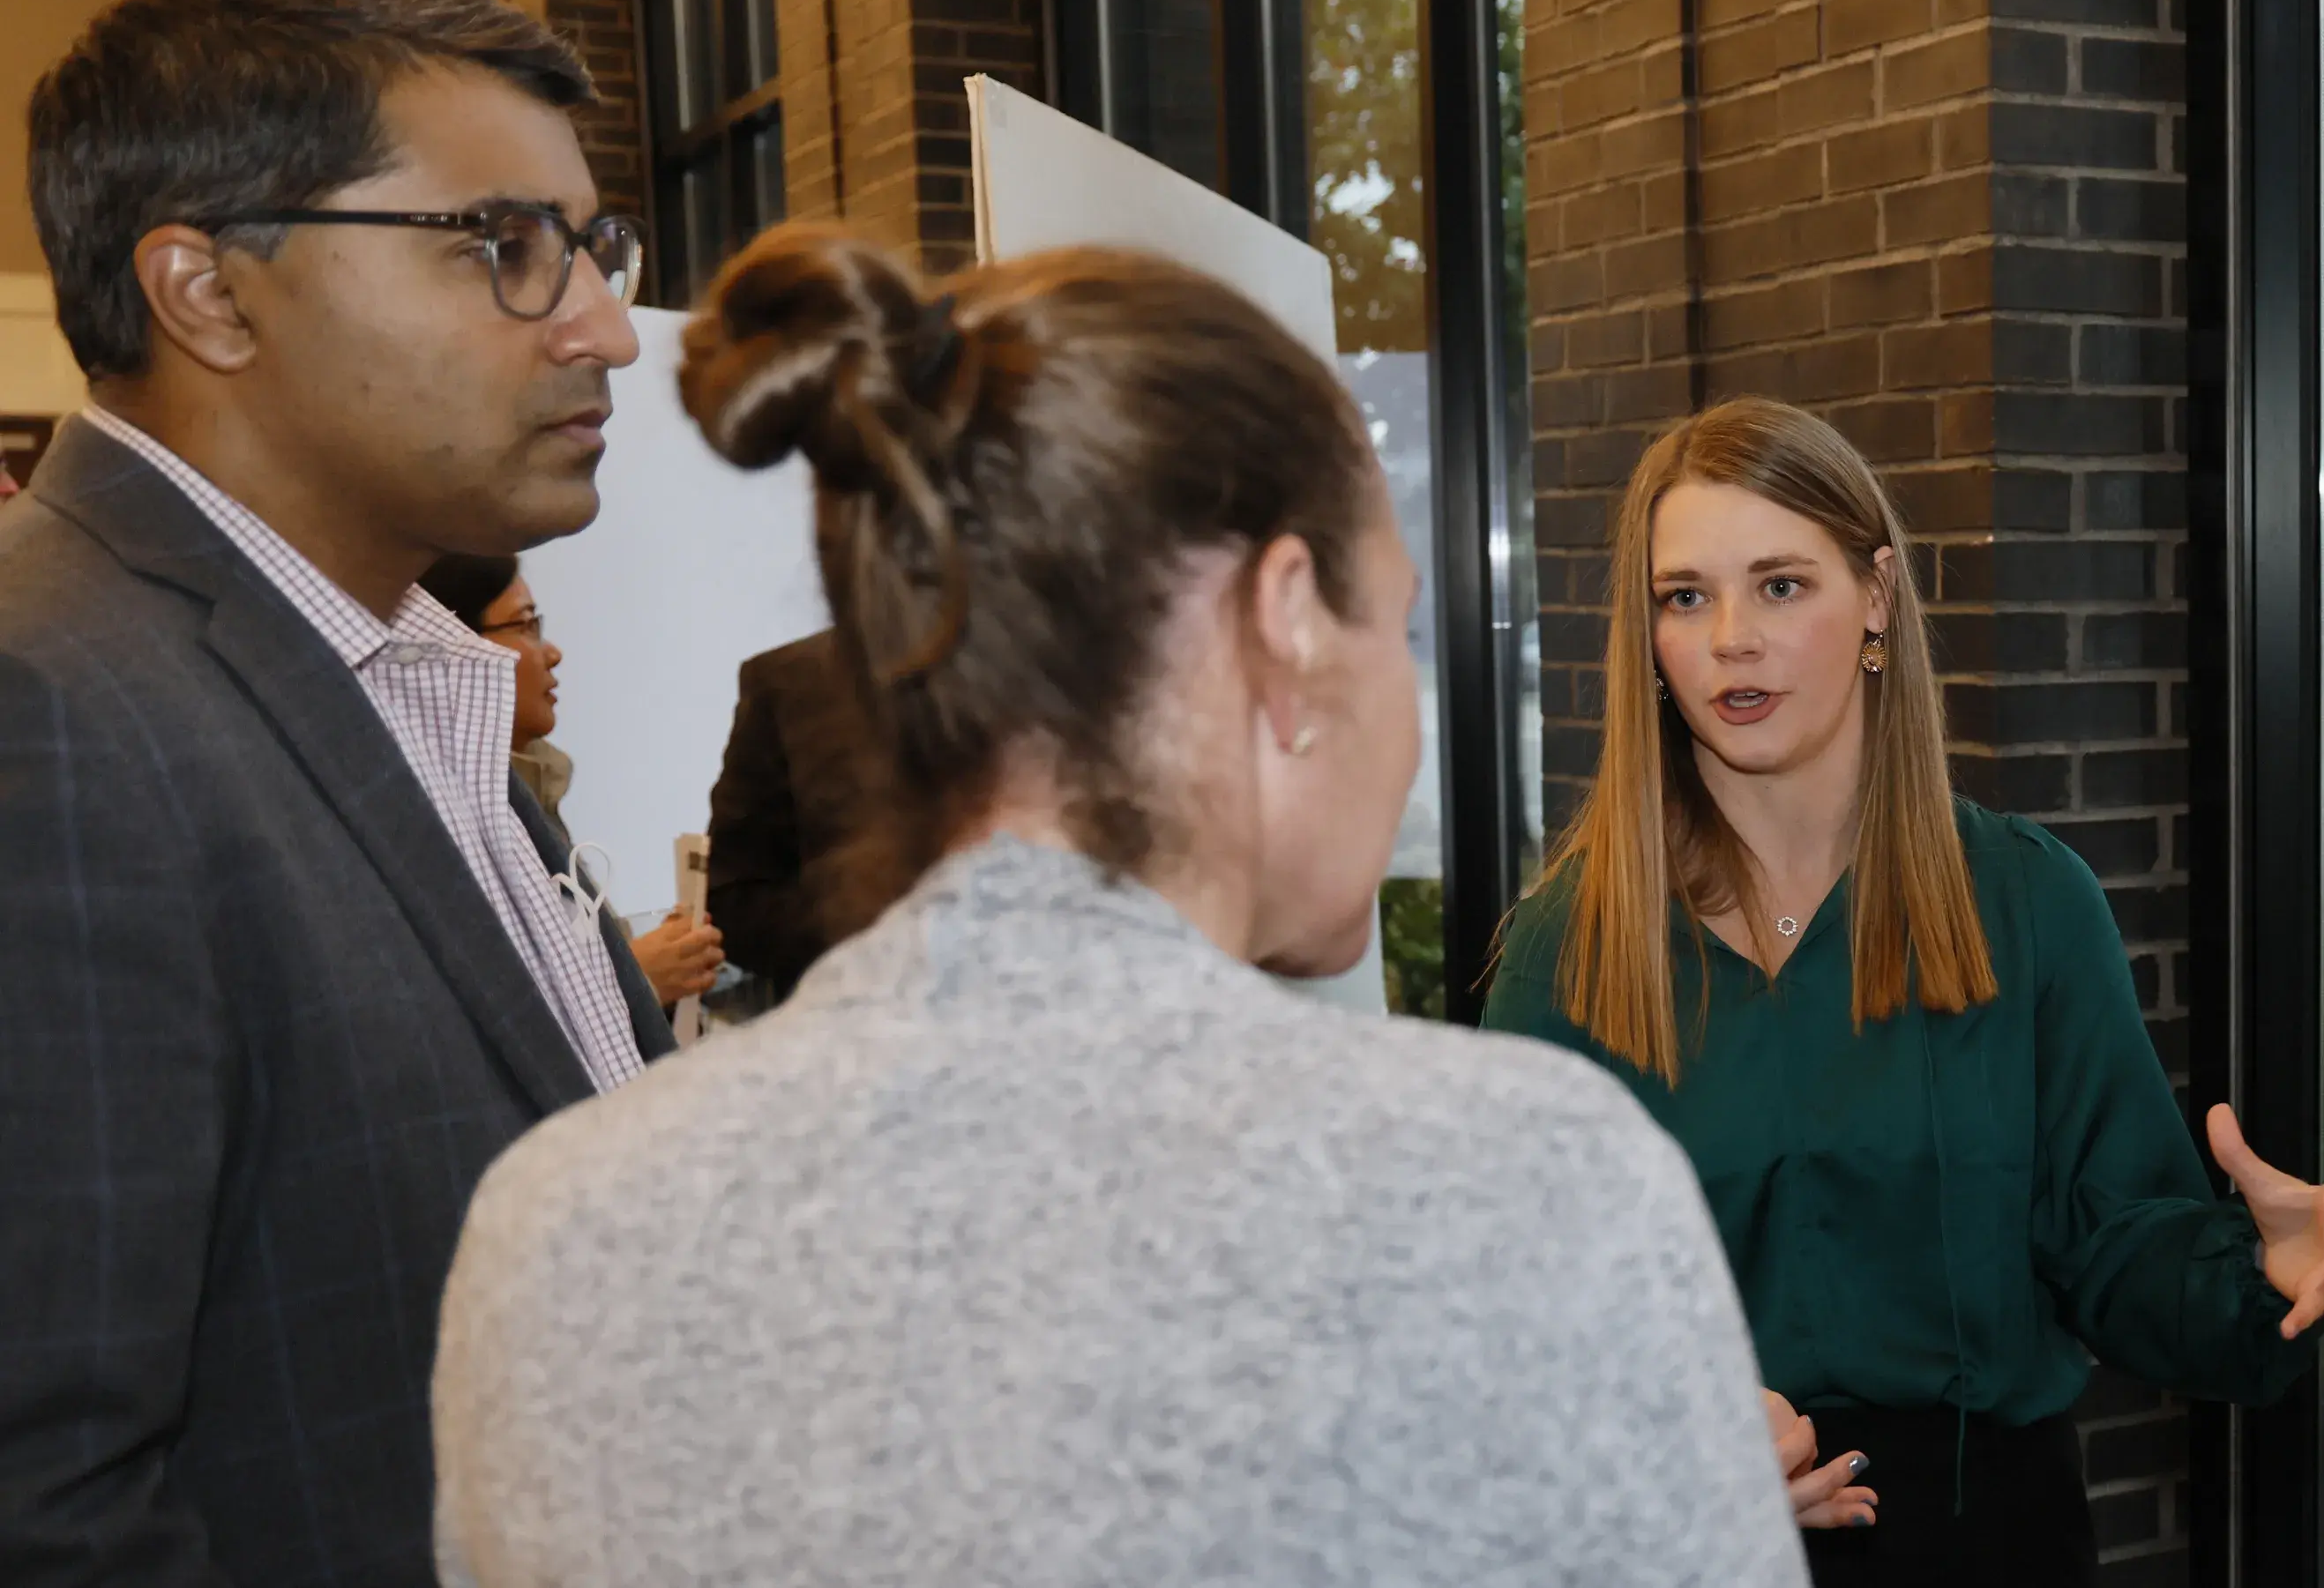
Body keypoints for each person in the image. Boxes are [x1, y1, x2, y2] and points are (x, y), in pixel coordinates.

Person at [430, 227, 1818, 1585]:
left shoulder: (556, 1231)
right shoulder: (1521, 1194)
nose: (1404, 715)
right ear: (1284, 621)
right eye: (1388, 625)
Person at [1483, 399, 2324, 1586]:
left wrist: (2258, 1270)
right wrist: (1660, 1434)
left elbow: (2116, 1248)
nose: (1730, 637)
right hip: (1684, 1548)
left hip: (1986, 1545)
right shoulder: (1562, 949)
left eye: (1779, 585)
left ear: (1875, 595)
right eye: (1685, 596)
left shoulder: (2024, 904)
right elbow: (1506, 1325)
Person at [0, 0, 675, 1586]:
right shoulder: (52, 713)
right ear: (209, 293)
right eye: (503, 248)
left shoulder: (392, 675)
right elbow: (51, 1503)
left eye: (591, 247)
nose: (602, 328)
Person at [422, 552, 728, 1004]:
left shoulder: (532, 785)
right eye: (525, 625)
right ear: (455, 649)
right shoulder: (442, 814)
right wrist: (637, 977)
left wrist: (654, 952)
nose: (553, 653)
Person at [706, 626, 887, 992]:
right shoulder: (792, 682)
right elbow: (733, 898)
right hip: (854, 1015)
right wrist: (876, 928)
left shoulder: (1026, 664)